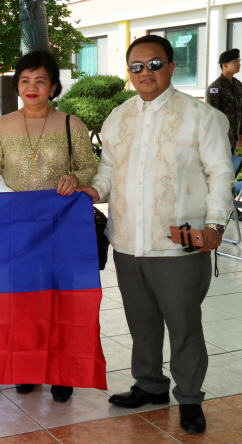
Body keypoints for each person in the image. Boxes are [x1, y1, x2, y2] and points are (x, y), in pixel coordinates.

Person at [77, 35, 234, 434]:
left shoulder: (203, 117)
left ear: (171, 66)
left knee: (183, 324)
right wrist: (93, 190)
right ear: (128, 72)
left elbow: (220, 173)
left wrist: (215, 224)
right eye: (136, 66)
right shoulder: (118, 117)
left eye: (154, 64)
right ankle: (149, 385)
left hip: (179, 243)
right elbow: (109, 171)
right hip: (129, 240)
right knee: (141, 322)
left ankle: (190, 397)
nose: (145, 72)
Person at [0, 49, 97, 403]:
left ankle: (63, 372)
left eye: (40, 80)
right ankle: (27, 367)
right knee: (22, 302)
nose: (32, 87)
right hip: (15, 230)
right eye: (25, 80)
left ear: (53, 86)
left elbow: (91, 167)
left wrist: (74, 177)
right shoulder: (0, 126)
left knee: (61, 301)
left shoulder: (71, 124)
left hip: (60, 230)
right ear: (17, 85)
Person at [206, 48, 242, 155]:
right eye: (235, 62)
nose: (239, 64)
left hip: (234, 137)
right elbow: (212, 114)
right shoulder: (215, 87)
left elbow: (240, 110)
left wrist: (240, 132)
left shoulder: (238, 85)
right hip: (221, 138)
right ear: (224, 65)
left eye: (239, 61)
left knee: (232, 167)